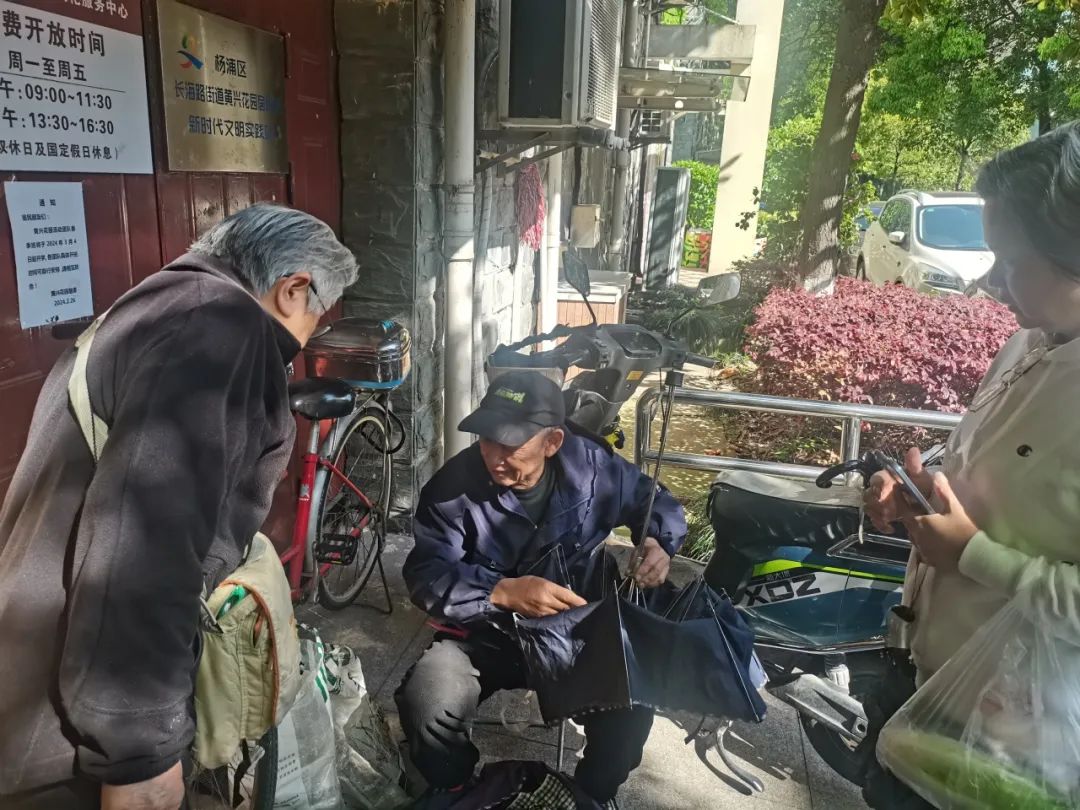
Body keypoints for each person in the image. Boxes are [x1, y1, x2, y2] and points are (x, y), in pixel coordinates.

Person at [0, 204, 358, 810]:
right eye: (318, 311)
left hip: (38, 681)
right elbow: (145, 547)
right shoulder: (220, 328)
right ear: (293, 288)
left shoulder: (160, 306)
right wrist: (139, 751)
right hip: (64, 733)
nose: (310, 332)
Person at [863, 122, 1080, 807]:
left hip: (1020, 748)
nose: (989, 284)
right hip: (927, 683)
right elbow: (989, 465)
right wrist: (921, 488)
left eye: (1009, 263)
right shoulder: (1029, 342)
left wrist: (973, 555)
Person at [397, 370, 688, 807]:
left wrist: (658, 541)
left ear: (552, 442)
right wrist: (500, 591)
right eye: (487, 438)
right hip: (490, 633)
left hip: (580, 631)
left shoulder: (593, 467)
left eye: (511, 444)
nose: (494, 456)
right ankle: (456, 787)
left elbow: (653, 500)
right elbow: (426, 574)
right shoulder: (452, 488)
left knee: (631, 713)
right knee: (426, 700)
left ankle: (589, 796)